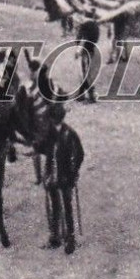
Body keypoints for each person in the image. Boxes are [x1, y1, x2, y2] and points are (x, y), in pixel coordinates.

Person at [41, 103, 85, 254]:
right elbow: (43, 147)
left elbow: (79, 154)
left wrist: (73, 172)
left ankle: (70, 238)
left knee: (67, 207)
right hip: (52, 176)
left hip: (65, 177)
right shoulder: (49, 132)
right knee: (54, 206)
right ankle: (55, 237)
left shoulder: (69, 134)